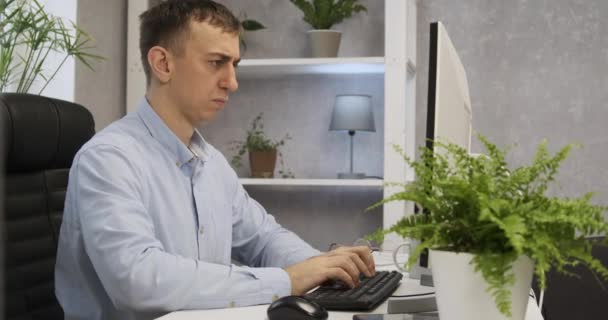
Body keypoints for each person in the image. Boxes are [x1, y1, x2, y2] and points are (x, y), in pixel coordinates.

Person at [54, 1, 375, 319]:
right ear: (163, 64)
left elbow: (263, 238)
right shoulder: (108, 160)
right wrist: (288, 281)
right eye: (216, 62)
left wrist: (325, 266)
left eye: (234, 64)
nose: (232, 82)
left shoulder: (212, 163)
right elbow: (138, 282)